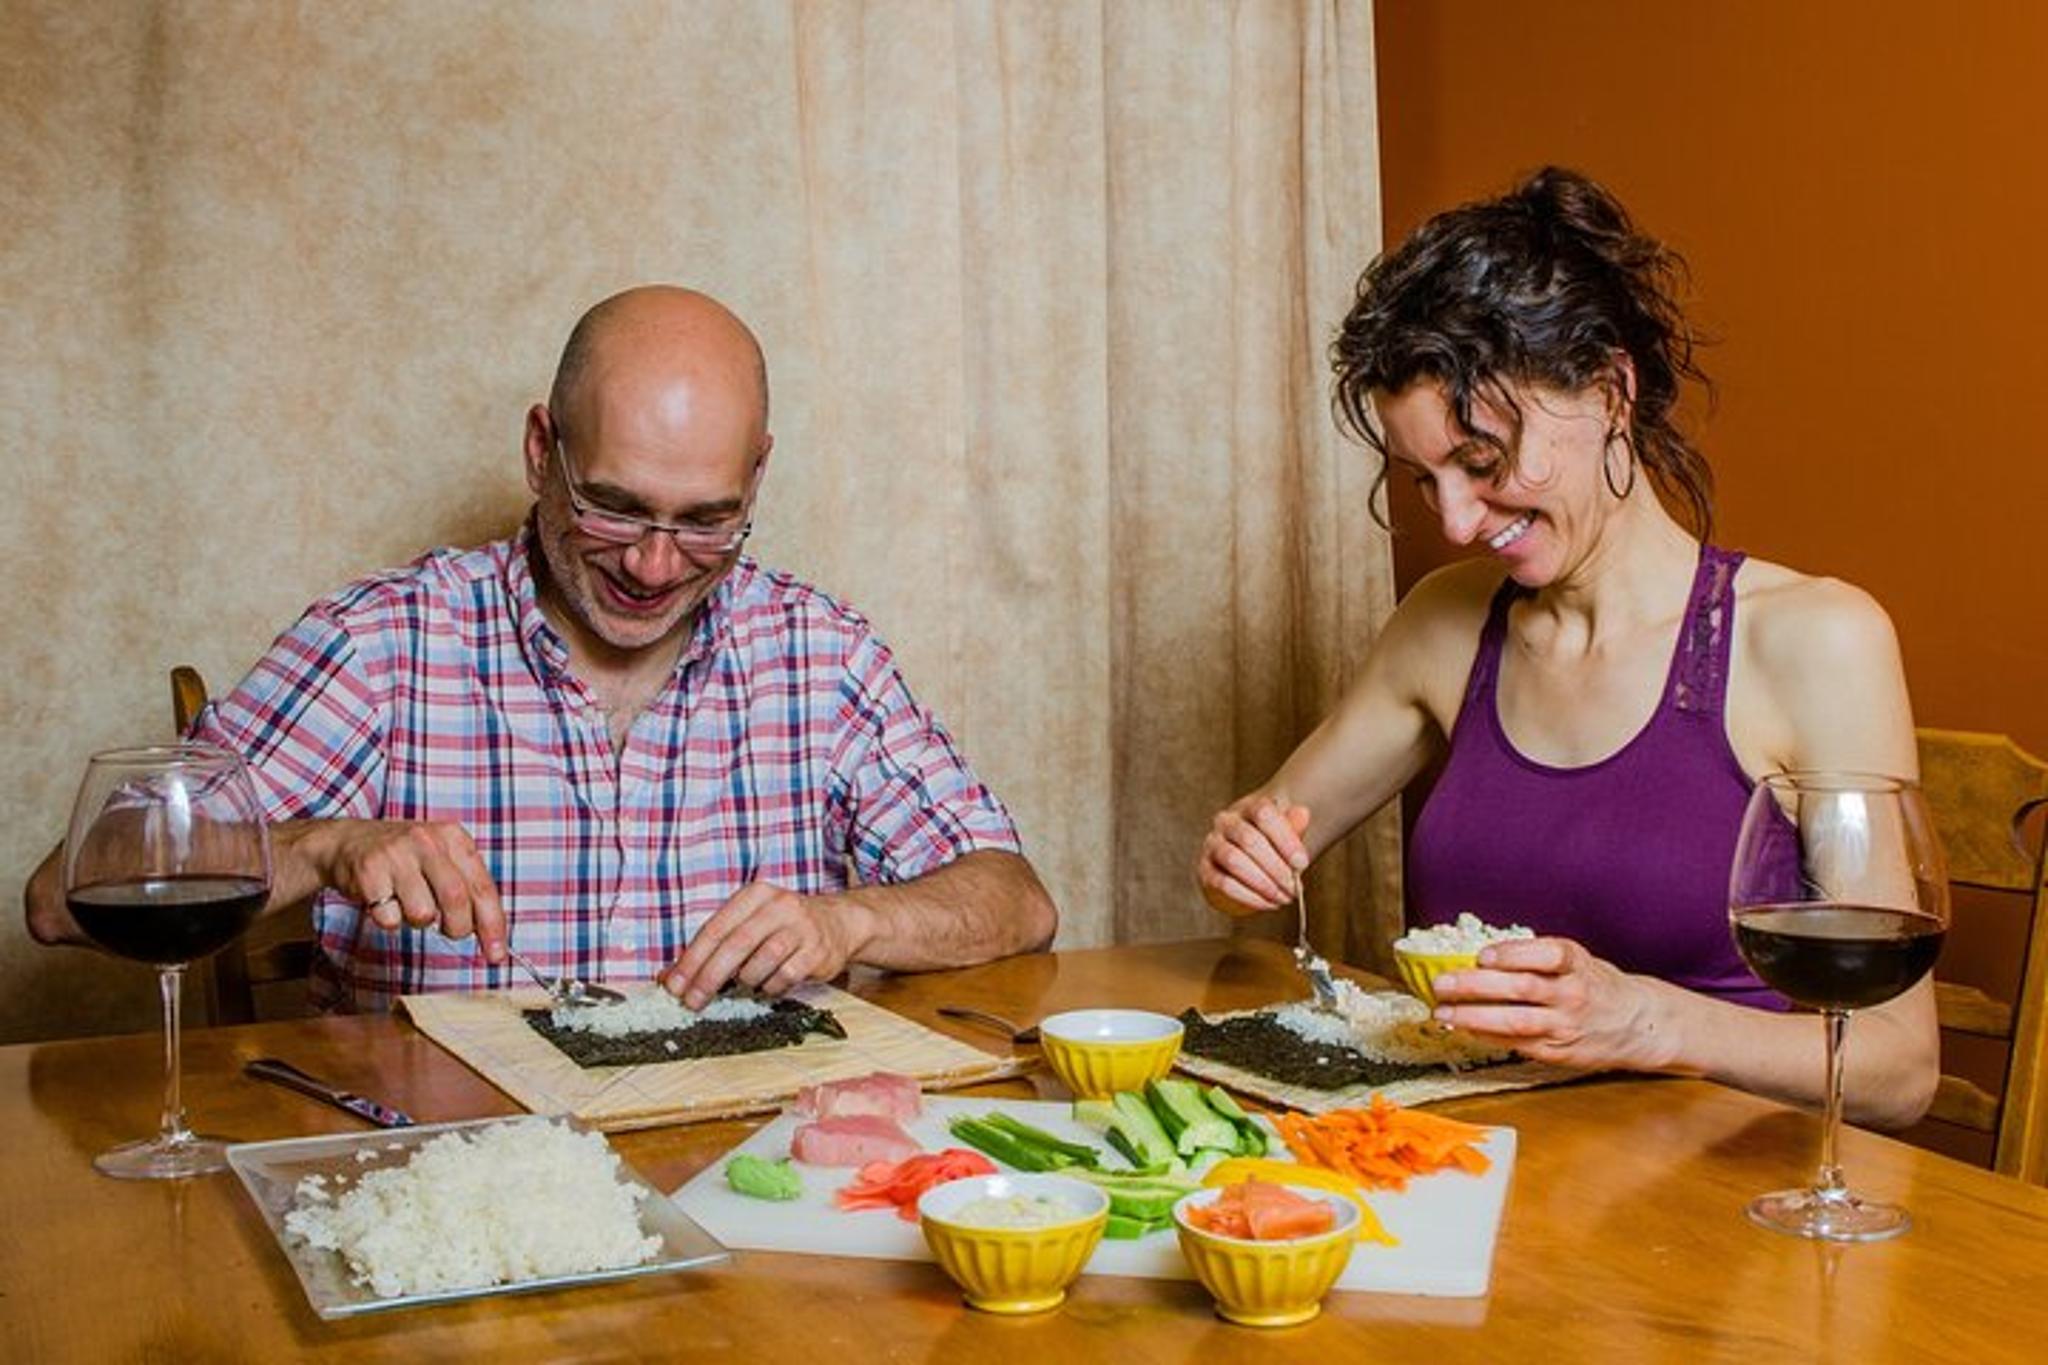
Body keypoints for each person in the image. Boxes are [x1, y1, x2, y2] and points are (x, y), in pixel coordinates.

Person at [27, 286, 1057, 1011]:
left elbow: (1013, 899)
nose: (653, 567)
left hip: (741, 1188)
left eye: (707, 520)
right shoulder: (384, 644)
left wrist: (851, 926)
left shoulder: (816, 652)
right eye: (612, 507)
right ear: (539, 451)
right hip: (453, 1184)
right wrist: (322, 843)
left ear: (758, 477)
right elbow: (60, 902)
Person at [1194, 168, 1935, 1130]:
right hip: (1479, 1175)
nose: (1456, 521)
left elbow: (1900, 1067)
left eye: (1484, 462)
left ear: (1609, 392)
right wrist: (1240, 858)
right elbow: (1262, 863)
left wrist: (1649, 1022)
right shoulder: (1444, 622)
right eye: (1424, 479)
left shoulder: (1817, 640)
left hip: (1720, 1215)